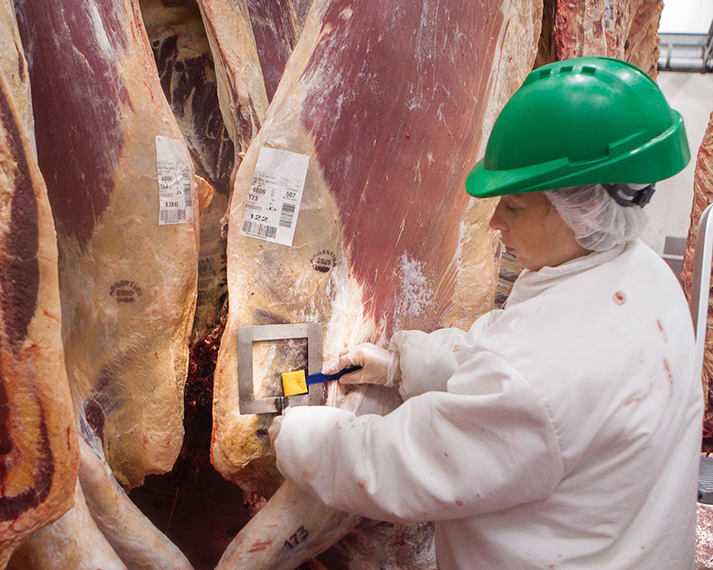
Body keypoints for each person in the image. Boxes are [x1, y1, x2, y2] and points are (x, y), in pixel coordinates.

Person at [269, 56, 702, 569]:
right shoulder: (645, 276)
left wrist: (296, 437)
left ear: (582, 209)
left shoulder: (543, 377)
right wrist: (405, 364)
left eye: (515, 207)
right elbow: (517, 365)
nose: (495, 222)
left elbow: (406, 464)